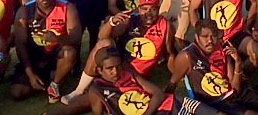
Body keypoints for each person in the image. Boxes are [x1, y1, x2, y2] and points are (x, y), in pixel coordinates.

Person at [61, 0, 176, 106]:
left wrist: (174, 78)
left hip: (136, 74)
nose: (148, 13)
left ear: (158, 9)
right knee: (104, 43)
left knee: (108, 97)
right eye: (144, 9)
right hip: (117, 65)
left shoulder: (166, 26)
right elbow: (102, 36)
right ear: (138, 9)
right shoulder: (131, 19)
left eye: (153, 9)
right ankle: (79, 90)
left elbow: (169, 53)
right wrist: (112, 23)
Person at [168, 19, 258, 115]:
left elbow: (235, 88)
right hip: (217, 102)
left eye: (213, 36)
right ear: (197, 37)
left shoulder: (223, 49)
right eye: (205, 37)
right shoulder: (187, 56)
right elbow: (173, 83)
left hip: (237, 94)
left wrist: (237, 61)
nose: (210, 41)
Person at [80, 47, 221, 115]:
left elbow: (158, 93)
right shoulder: (97, 91)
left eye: (117, 67)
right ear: (99, 70)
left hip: (170, 103)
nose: (115, 71)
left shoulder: (128, 72)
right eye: (109, 69)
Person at [11, 0, 82, 103]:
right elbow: (20, 44)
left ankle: (55, 85)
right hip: (35, 56)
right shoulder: (24, 11)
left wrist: (57, 39)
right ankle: (47, 77)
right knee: (18, 93)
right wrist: (30, 74)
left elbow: (76, 37)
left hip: (57, 54)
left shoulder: (67, 7)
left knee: (69, 52)